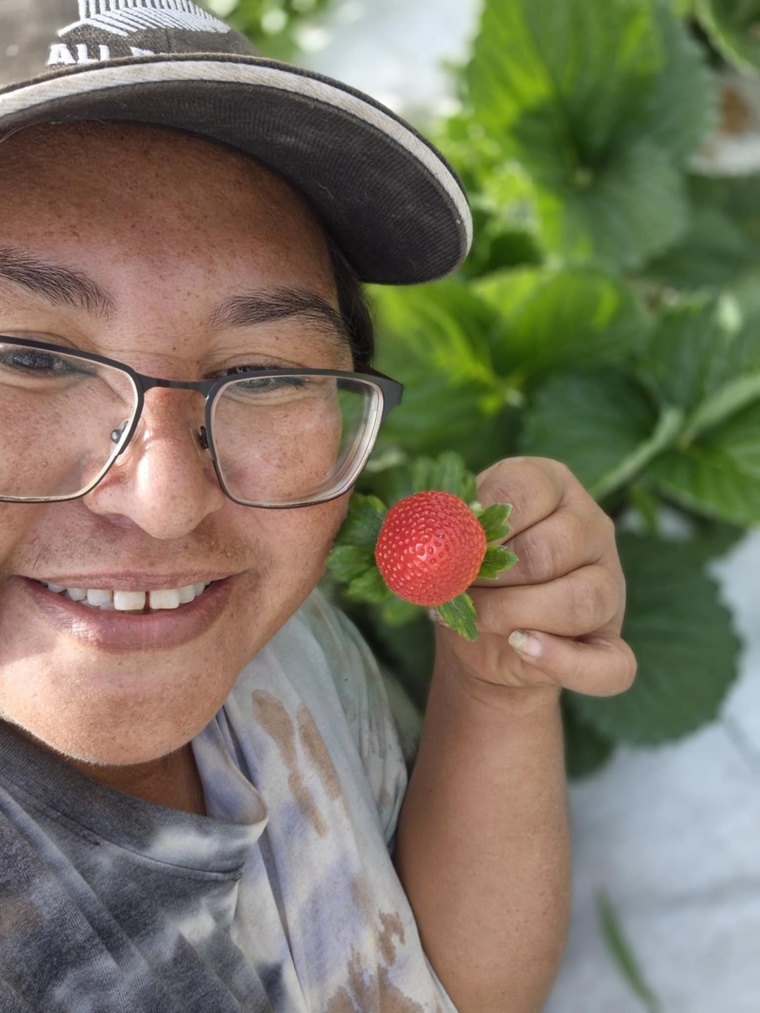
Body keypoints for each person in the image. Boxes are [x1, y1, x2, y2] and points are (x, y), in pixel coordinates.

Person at [0, 2, 636, 1011]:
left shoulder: (265, 637)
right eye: (28, 356)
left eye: (260, 373)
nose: (168, 503)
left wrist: (496, 693)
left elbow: (447, 984)